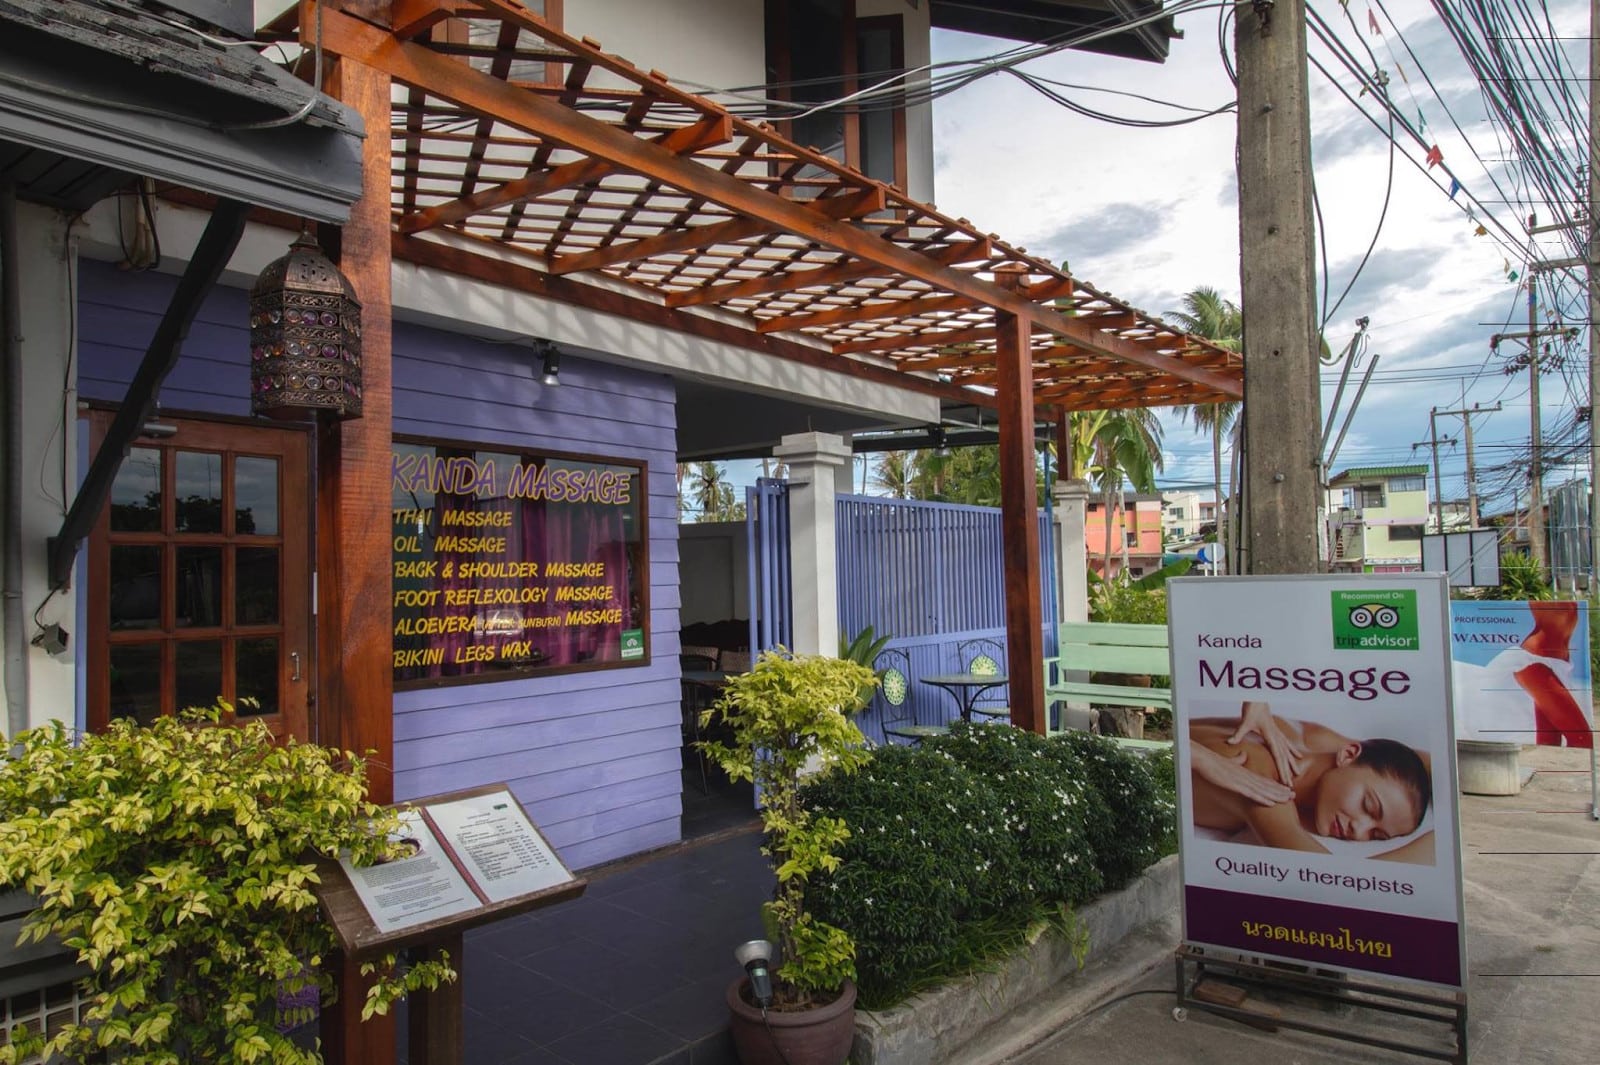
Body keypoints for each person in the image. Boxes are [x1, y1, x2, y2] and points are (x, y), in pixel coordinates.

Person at [1189, 701, 1435, 864]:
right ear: (1348, 754)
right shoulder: (1265, 789)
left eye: (1376, 835)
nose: (1359, 831)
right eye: (1368, 806)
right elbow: (1332, 879)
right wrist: (1434, 849)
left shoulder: (1309, 736)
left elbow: (1416, 762)